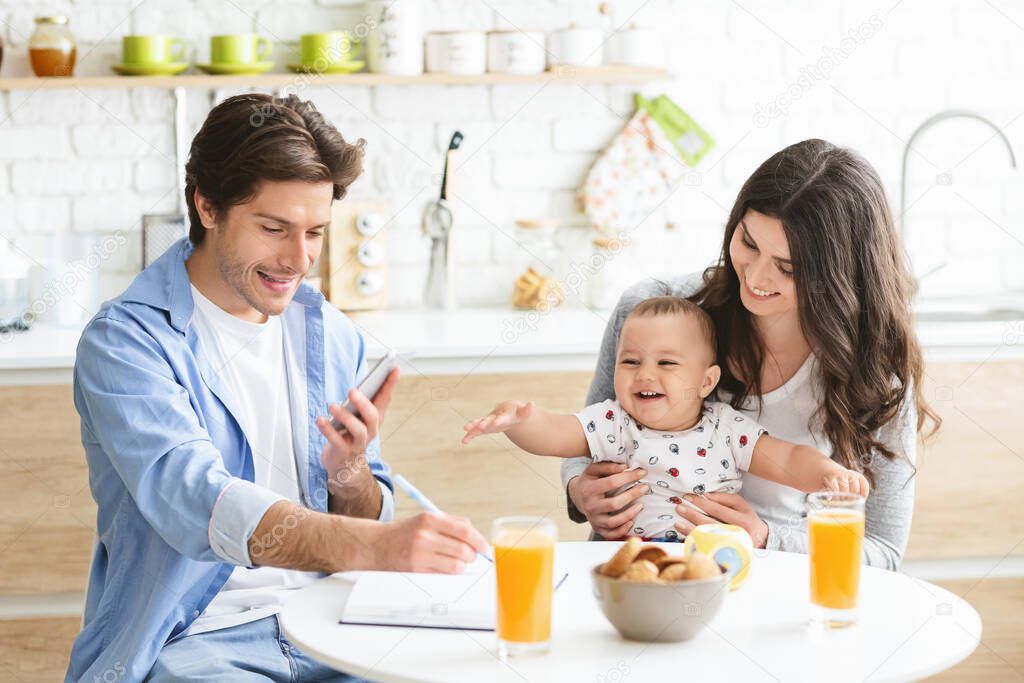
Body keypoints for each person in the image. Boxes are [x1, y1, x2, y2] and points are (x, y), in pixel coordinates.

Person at [66, 93, 487, 682]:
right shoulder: (126, 344)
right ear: (208, 207)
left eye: (315, 231)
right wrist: (376, 546)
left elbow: (366, 508)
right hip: (197, 642)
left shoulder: (332, 335)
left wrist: (351, 473)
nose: (299, 259)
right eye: (274, 228)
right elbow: (197, 502)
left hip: (333, 628)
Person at [560, 138, 939, 569]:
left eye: (789, 267)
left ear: (838, 275)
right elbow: (585, 438)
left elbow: (882, 551)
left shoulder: (874, 367)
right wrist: (578, 488)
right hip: (638, 570)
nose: (756, 277)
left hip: (776, 584)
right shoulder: (654, 311)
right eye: (749, 243)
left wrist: (764, 536)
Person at [463, 295, 869, 540]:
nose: (645, 374)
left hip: (709, 559)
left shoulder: (725, 429)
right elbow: (554, 433)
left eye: (667, 362)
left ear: (707, 380)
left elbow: (789, 459)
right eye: (631, 361)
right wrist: (518, 422)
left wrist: (831, 475)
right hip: (629, 558)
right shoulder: (614, 423)